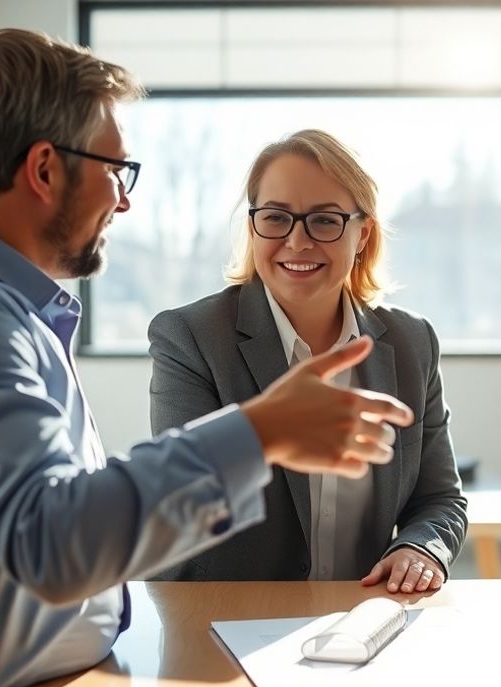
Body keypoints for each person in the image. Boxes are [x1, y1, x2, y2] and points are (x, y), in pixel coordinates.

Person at [0, 30, 413, 687]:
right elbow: (54, 541)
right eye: (117, 169)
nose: (124, 201)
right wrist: (259, 433)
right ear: (44, 169)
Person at [148, 129, 466, 592]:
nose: (297, 241)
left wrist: (420, 548)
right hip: (219, 618)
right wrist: (270, 428)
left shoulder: (412, 341)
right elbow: (184, 501)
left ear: (363, 234)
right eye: (275, 218)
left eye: (323, 221)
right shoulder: (190, 337)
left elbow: (439, 499)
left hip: (351, 625)